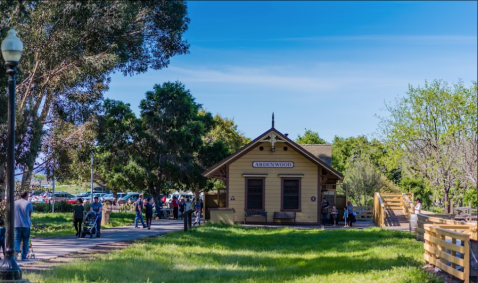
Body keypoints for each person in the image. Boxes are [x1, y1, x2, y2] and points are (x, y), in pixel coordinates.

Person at [14, 191, 33, 260]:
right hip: (26, 224)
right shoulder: (29, 203)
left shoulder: (15, 203)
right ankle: (24, 256)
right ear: (26, 196)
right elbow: (29, 214)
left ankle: (15, 253)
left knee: (17, 239)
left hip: (16, 224)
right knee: (25, 240)